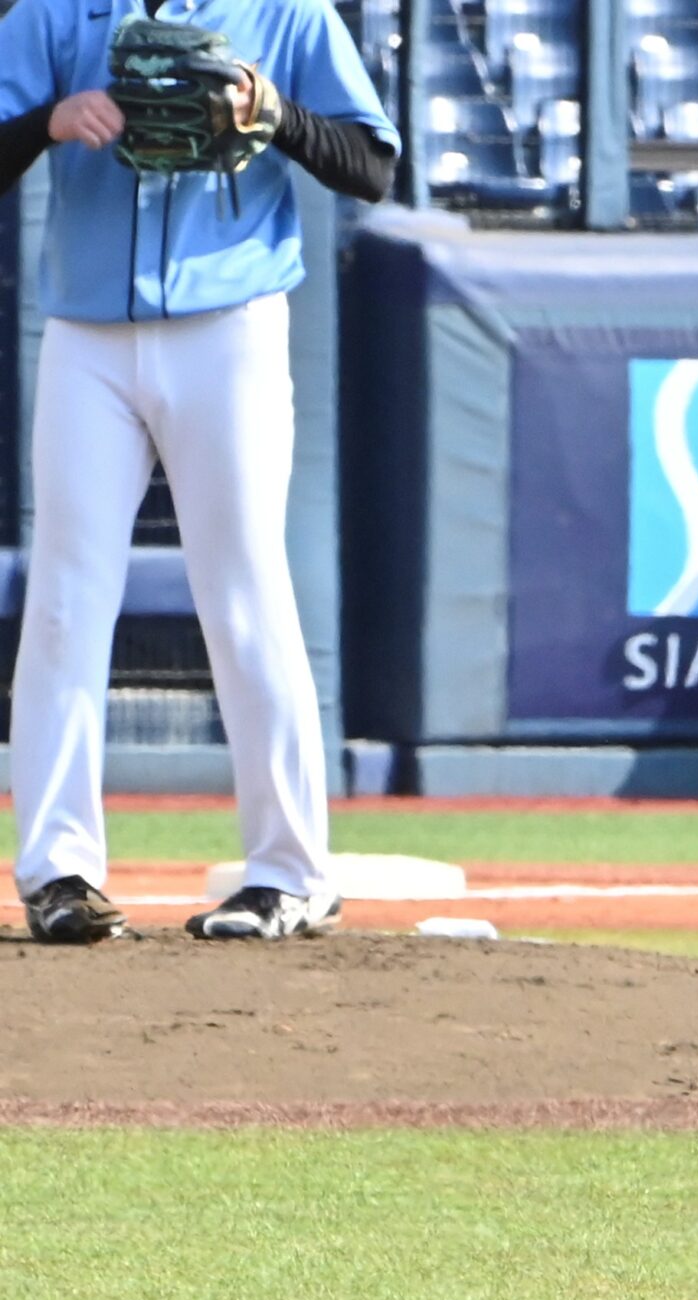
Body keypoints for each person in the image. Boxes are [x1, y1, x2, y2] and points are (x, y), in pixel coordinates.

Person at [0, 0, 398, 943]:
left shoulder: (285, 12)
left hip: (230, 328)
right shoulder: (55, 10)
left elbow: (371, 166)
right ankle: (59, 873)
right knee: (63, 599)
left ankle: (291, 873)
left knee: (245, 592)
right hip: (88, 334)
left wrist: (276, 113)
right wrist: (49, 120)